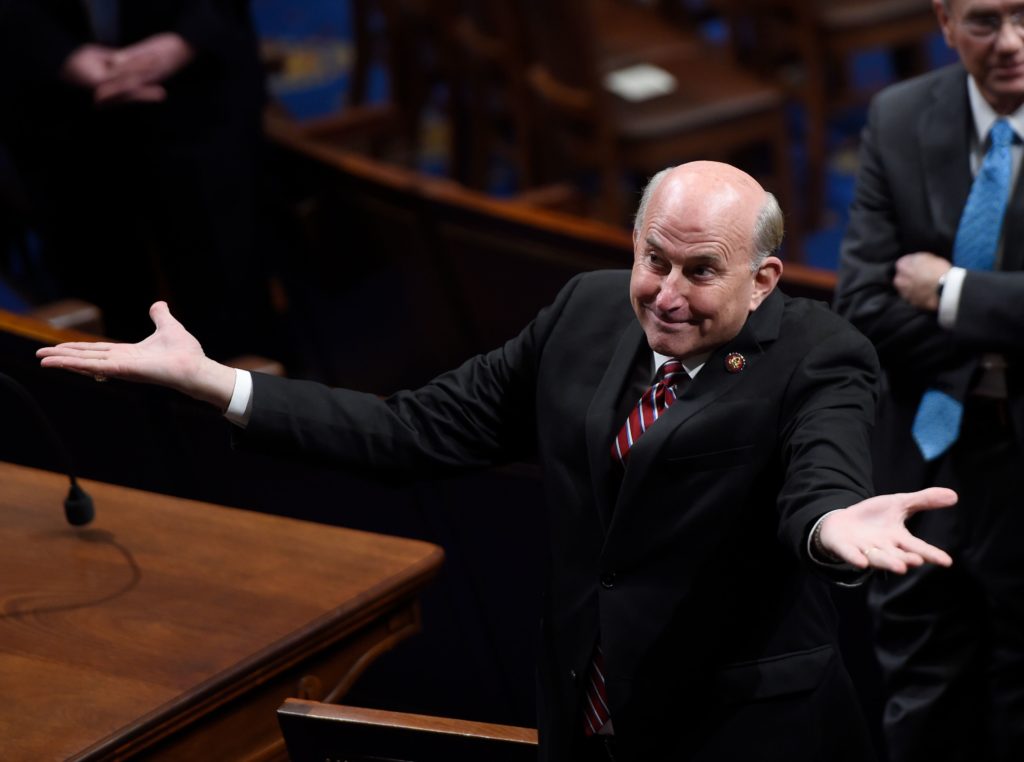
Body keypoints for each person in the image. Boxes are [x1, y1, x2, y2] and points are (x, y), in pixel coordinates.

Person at [38, 161, 955, 762]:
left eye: (701, 271)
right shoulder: (585, 313)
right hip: (584, 715)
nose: (667, 295)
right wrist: (215, 384)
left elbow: (820, 484)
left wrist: (833, 526)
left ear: (763, 280)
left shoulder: (822, 356)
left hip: (742, 737)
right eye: (653, 260)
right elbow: (412, 430)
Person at [834, 1, 1024, 759]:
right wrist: (1002, 327)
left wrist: (948, 292)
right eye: (985, 21)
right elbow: (861, 303)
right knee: (922, 694)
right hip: (925, 449)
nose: (1010, 43)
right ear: (944, 22)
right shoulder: (900, 115)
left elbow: (902, 304)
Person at [0, 0, 275, 361]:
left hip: (201, 87)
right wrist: (59, 54)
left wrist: (184, 39)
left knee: (227, 283)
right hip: (55, 103)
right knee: (97, 284)